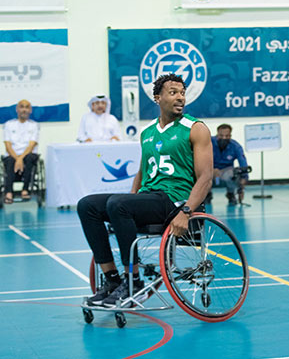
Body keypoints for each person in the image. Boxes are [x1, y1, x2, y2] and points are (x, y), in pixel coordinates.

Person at [77, 73, 212, 307]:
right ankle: (111, 279)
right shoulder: (147, 132)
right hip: (151, 197)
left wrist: (187, 211)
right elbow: (142, 172)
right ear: (158, 98)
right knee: (87, 205)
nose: (180, 97)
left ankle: (134, 280)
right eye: (173, 92)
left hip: (176, 201)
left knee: (118, 204)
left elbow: (206, 177)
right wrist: (129, 200)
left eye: (182, 93)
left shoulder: (196, 128)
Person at [2, 99, 39, 204]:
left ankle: (25, 189)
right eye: (22, 107)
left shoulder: (34, 125)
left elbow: (31, 145)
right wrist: (17, 159)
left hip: (28, 155)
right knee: (9, 160)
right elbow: (8, 146)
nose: (24, 109)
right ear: (17, 109)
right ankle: (8, 192)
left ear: (30, 110)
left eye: (27, 107)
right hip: (12, 155)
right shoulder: (9, 124)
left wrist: (20, 159)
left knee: (30, 158)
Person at [212, 123, 249, 206]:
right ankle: (206, 195)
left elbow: (243, 162)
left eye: (227, 136)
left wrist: (244, 179)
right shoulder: (208, 143)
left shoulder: (235, 146)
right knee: (202, 173)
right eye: (221, 135)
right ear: (217, 134)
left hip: (226, 170)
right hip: (210, 169)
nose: (224, 138)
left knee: (234, 173)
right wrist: (211, 170)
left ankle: (231, 194)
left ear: (230, 135)